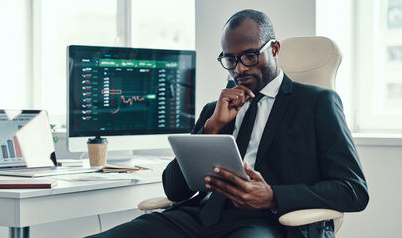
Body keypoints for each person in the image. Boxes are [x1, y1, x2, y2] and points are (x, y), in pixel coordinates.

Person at [88, 9, 368, 238]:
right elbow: (174, 190)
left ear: (274, 48)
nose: (239, 68)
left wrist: (272, 196)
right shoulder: (215, 110)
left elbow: (353, 190)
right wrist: (211, 128)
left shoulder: (317, 103)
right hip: (200, 217)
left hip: (268, 222)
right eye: (230, 59)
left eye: (249, 55)